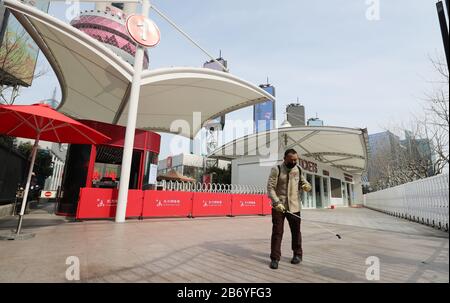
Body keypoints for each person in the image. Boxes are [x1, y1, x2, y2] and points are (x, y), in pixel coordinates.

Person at [266, 149, 312, 269]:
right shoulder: (277, 169)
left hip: (294, 206)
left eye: (296, 159)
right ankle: (275, 258)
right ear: (285, 158)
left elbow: (303, 182)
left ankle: (297, 255)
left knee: (296, 232)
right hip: (279, 207)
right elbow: (270, 188)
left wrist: (307, 186)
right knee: (277, 233)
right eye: (291, 160)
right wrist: (276, 202)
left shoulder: (299, 169)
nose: (294, 162)